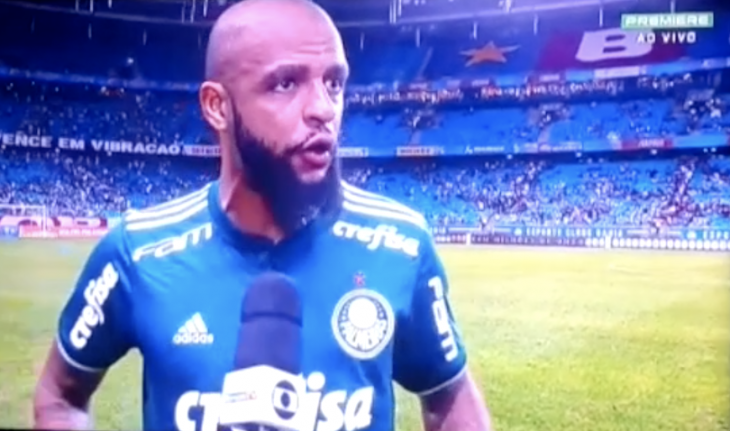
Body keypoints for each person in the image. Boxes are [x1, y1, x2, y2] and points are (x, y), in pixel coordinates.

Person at [33, 0, 493, 430]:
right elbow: (61, 394)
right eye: (285, 83)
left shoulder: (401, 244)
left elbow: (448, 398)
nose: (323, 109)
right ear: (217, 106)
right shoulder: (137, 253)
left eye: (334, 83)